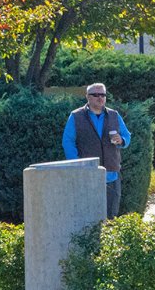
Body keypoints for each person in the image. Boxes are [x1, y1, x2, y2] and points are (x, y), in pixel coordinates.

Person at [62, 83, 131, 218]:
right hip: (87, 174)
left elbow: (127, 136)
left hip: (112, 174)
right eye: (96, 95)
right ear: (87, 96)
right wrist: (77, 164)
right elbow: (68, 142)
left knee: (111, 216)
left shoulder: (114, 115)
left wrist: (121, 140)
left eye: (103, 95)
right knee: (88, 215)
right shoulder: (76, 116)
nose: (100, 98)